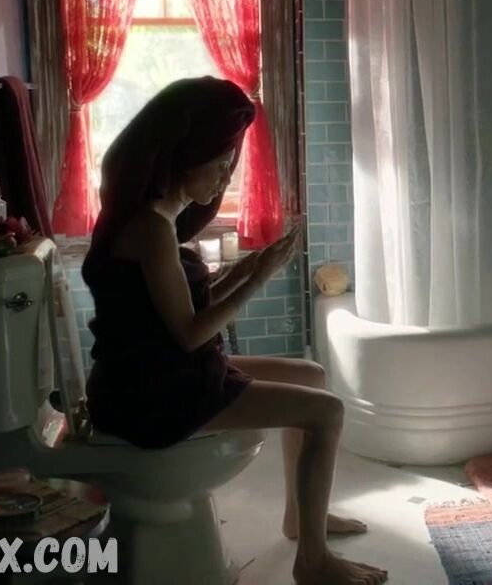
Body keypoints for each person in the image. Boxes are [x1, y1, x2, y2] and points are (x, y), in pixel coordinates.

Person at [82, 77, 387, 585]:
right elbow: (190, 332)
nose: (227, 176)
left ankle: (300, 517)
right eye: (220, 163)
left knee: (311, 375)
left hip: (155, 374)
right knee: (327, 412)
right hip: (155, 396)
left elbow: (177, 309)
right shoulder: (151, 228)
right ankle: (313, 562)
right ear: (184, 155)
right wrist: (259, 278)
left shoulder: (149, 216)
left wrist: (246, 269)